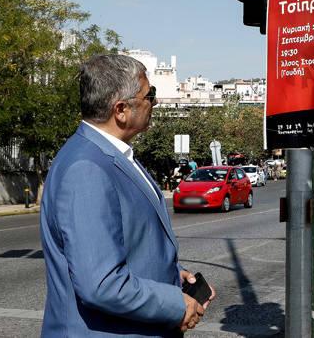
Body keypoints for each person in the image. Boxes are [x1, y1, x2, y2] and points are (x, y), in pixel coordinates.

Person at [40, 54, 214, 337]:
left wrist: (172, 275)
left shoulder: (110, 155)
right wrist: (175, 304)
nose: (154, 102)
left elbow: (130, 243)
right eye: (150, 95)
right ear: (120, 109)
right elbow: (102, 284)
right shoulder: (87, 168)